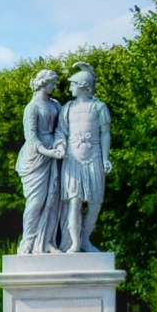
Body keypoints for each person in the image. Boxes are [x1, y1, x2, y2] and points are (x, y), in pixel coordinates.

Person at [57, 62, 112, 253]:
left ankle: (85, 239)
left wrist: (106, 158)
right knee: (74, 201)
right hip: (72, 159)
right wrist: (60, 148)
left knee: (95, 203)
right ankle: (74, 243)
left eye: (73, 84)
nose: (70, 87)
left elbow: (105, 133)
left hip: (94, 157)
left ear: (82, 86)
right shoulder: (67, 108)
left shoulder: (99, 107)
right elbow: (60, 134)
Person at [16, 68, 65, 254]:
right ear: (43, 83)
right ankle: (27, 241)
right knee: (36, 201)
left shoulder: (55, 105)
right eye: (52, 83)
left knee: (52, 200)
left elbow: (61, 128)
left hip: (53, 152)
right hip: (36, 157)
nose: (54, 86)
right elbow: (31, 137)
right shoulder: (32, 107)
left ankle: (46, 241)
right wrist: (49, 152)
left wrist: (59, 144)